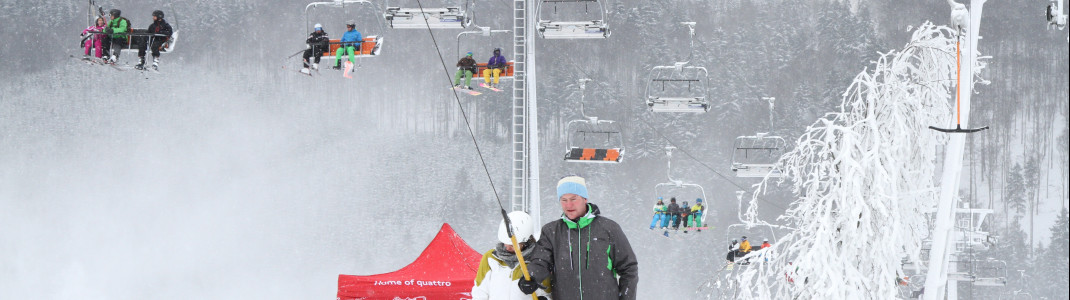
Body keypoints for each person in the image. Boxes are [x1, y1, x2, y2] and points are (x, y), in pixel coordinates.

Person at [519, 175, 638, 300]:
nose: (568, 204)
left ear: (584, 198)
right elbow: (541, 261)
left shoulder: (608, 228)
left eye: (573, 199)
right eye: (564, 200)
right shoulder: (551, 231)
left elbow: (628, 268)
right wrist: (532, 276)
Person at [471, 211, 551, 300]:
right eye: (505, 243)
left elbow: (548, 293)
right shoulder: (491, 258)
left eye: (512, 245)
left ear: (526, 241)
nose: (507, 248)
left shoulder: (539, 262)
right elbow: (480, 292)